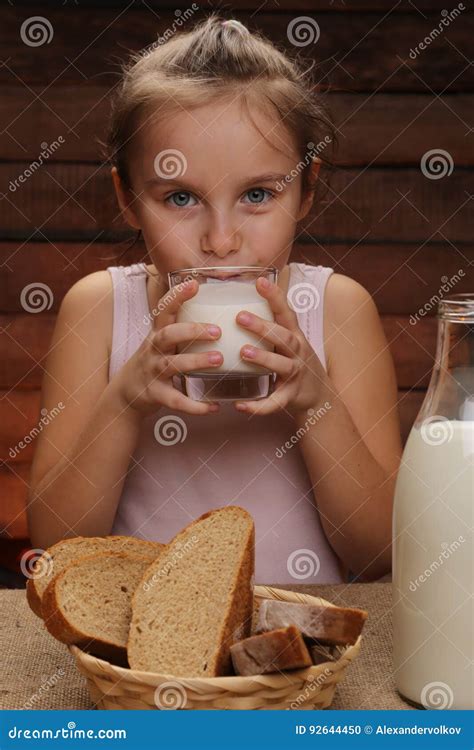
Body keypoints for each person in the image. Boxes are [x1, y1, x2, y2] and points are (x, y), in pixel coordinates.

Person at [27, 15, 402, 583]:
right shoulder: (101, 309)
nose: (221, 241)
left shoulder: (339, 310)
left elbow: (383, 554)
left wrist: (315, 402)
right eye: (180, 197)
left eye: (257, 194)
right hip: (145, 647)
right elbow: (54, 544)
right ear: (127, 200)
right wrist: (124, 402)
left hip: (301, 648)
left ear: (306, 191)